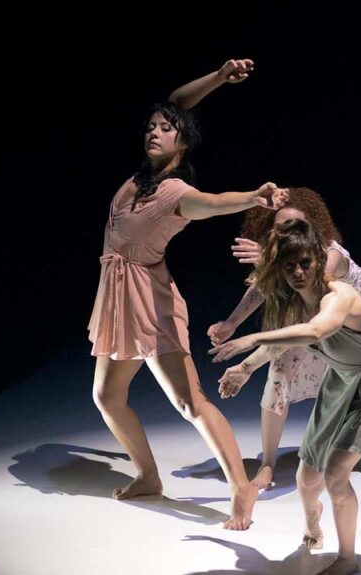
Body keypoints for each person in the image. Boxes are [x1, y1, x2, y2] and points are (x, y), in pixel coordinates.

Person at [88, 59, 287, 530]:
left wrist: (253, 197)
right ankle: (148, 476)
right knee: (107, 396)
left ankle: (241, 487)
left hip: (151, 305)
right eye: (151, 127)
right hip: (118, 300)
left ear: (182, 142)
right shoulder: (140, 179)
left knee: (188, 402)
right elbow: (177, 102)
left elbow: (215, 203)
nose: (154, 132)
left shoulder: (177, 192)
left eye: (165, 129)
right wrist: (219, 77)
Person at [210, 219, 361, 574]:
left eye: (305, 263)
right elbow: (288, 339)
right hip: (343, 376)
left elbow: (317, 330)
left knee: (335, 473)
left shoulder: (340, 296)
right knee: (307, 476)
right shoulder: (295, 303)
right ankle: (312, 522)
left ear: (319, 261)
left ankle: (347, 558)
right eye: (289, 265)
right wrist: (245, 368)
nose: (298, 272)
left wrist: (251, 337)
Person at [208, 187, 361, 493]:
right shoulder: (282, 261)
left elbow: (314, 317)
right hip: (315, 318)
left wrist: (246, 364)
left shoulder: (329, 255)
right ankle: (268, 461)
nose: (288, 232)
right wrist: (231, 324)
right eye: (281, 227)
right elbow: (263, 289)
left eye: (296, 225)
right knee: (280, 370)